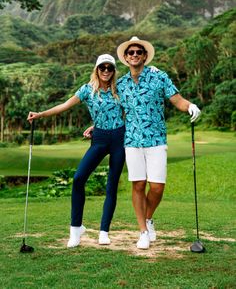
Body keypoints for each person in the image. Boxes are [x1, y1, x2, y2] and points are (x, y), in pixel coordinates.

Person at [27, 54, 125, 248]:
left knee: (112, 184)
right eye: (102, 67)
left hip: (120, 138)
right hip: (99, 140)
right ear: (96, 69)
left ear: (114, 71)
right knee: (79, 178)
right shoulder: (87, 90)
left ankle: (104, 231)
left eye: (110, 68)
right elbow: (64, 106)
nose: (106, 71)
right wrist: (40, 115)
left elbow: (128, 109)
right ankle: (76, 229)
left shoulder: (120, 88)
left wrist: (152, 70)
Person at [116, 36, 201, 250]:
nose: (134, 55)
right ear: (126, 58)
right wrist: (96, 126)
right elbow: (114, 110)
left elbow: (176, 99)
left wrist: (190, 106)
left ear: (144, 56)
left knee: (157, 186)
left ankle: (148, 218)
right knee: (138, 185)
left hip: (156, 139)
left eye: (138, 52)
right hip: (132, 140)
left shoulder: (159, 77)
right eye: (131, 53)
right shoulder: (121, 84)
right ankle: (143, 231)